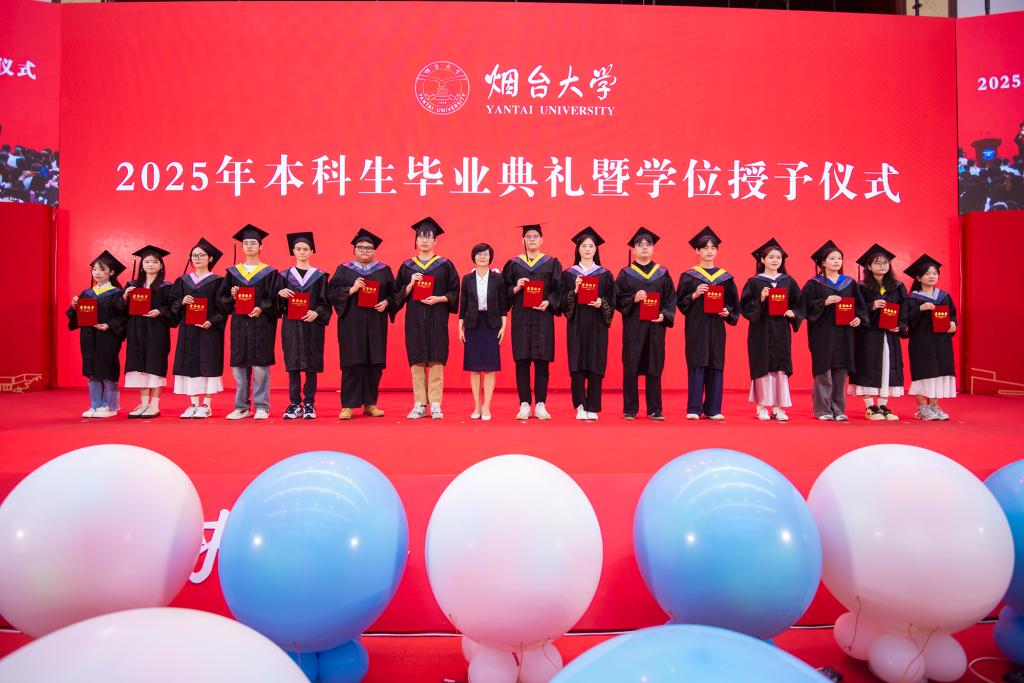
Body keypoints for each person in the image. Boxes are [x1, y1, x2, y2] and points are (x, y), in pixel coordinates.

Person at [327, 228, 397, 420]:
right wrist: (351, 289)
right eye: (361, 247)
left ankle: (370, 404)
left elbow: (395, 293)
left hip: (376, 322)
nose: (365, 251)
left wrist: (387, 302)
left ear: (374, 250)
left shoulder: (383, 270)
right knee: (352, 362)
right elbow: (331, 292)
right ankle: (347, 406)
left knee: (374, 363)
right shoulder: (344, 269)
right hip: (351, 323)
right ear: (354, 250)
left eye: (369, 248)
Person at [395, 216, 460, 419]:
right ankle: (420, 404)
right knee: (416, 360)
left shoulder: (445, 265)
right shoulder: (407, 266)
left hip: (437, 317)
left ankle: (436, 403)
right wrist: (410, 285)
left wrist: (440, 298)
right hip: (414, 319)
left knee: (436, 359)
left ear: (435, 241)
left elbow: (455, 291)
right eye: (421, 236)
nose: (424, 240)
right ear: (416, 240)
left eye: (428, 236)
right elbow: (396, 295)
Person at [676, 226, 739, 420]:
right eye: (705, 248)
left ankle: (713, 409)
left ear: (717, 251)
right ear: (697, 251)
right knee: (697, 363)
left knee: (716, 363)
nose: (709, 251)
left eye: (713, 248)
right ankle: (694, 408)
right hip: (696, 327)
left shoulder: (725, 278)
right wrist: (694, 295)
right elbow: (680, 302)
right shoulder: (689, 276)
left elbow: (733, 304)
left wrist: (727, 312)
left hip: (716, 327)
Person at [502, 223, 563, 420]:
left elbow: (558, 290)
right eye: (528, 236)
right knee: (522, 362)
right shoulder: (514, 264)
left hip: (543, 317)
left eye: (535, 236)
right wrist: (515, 288)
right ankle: (525, 404)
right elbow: (502, 292)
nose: (532, 239)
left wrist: (549, 302)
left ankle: (541, 404)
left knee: (542, 362)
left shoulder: (551, 263)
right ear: (523, 240)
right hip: (521, 317)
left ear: (542, 240)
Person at [801, 240, 867, 421]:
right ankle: (823, 410)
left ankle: (838, 409)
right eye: (832, 258)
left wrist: (858, 318)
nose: (837, 261)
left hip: (845, 333)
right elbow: (804, 306)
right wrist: (824, 302)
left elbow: (860, 307)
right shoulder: (813, 284)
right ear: (823, 262)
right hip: (823, 333)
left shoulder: (849, 283)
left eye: (839, 258)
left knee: (840, 370)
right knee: (823, 371)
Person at [739, 238, 803, 421]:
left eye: (778, 257)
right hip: (761, 331)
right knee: (762, 366)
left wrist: (793, 313)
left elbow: (799, 304)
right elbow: (745, 306)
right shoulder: (754, 282)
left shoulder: (788, 281)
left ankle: (778, 407)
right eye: (771, 257)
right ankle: (761, 407)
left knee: (780, 368)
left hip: (781, 331)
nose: (775, 260)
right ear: (762, 260)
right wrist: (760, 299)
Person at [615, 227, 676, 420]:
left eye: (648, 244)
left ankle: (654, 409)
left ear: (653, 248)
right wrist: (633, 298)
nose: (644, 248)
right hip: (634, 328)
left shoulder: (662, 273)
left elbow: (670, 299)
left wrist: (664, 315)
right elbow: (616, 298)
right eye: (639, 245)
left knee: (654, 365)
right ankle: (630, 409)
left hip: (655, 326)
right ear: (633, 250)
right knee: (631, 366)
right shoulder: (626, 273)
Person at [223, 224, 278, 420]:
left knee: (260, 368)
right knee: (239, 368)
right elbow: (222, 301)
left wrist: (261, 308)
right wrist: (231, 295)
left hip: (261, 325)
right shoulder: (233, 273)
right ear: (242, 247)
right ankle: (242, 407)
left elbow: (275, 298)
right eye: (245, 243)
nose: (249, 246)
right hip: (240, 325)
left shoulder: (270, 273)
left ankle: (262, 406)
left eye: (253, 243)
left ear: (260, 247)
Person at [169, 238, 228, 418]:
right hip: (189, 331)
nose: (197, 258)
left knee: (209, 364)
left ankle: (206, 405)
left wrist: (212, 321)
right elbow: (172, 305)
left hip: (209, 330)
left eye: (201, 255)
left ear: (210, 258)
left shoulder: (218, 281)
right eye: (194, 255)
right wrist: (181, 301)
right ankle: (193, 404)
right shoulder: (183, 281)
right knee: (189, 364)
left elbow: (224, 307)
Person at [848, 244, 908, 421]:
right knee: (867, 366)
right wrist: (871, 306)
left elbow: (904, 310)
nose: (882, 266)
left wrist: (899, 326)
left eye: (885, 263)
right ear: (868, 266)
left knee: (888, 367)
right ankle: (870, 407)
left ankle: (883, 406)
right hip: (868, 335)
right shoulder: (861, 286)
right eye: (878, 263)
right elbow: (855, 309)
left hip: (889, 335)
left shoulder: (897, 287)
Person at [561, 226, 615, 421]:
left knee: (595, 362)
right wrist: (574, 291)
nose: (587, 249)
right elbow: (561, 302)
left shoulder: (605, 274)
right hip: (576, 324)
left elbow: (612, 300)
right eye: (583, 246)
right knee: (577, 363)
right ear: (578, 249)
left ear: (596, 249)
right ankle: (581, 406)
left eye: (591, 246)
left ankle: (593, 406)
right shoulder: (569, 274)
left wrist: (602, 303)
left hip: (597, 325)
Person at [276, 232, 332, 420]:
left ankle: (309, 403)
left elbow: (325, 304)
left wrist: (317, 312)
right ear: (293, 251)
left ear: (312, 251)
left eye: (305, 249)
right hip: (291, 326)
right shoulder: (284, 276)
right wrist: (279, 295)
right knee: (292, 364)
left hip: (312, 326)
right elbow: (277, 306)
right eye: (298, 249)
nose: (302, 252)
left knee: (311, 365)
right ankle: (294, 403)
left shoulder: (319, 276)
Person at [67, 251, 128, 418]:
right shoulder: (87, 293)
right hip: (88, 336)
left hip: (108, 337)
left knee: (106, 370)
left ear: (111, 272)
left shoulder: (117, 293)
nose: (97, 273)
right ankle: (94, 406)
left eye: (102, 269)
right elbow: (76, 318)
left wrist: (109, 325)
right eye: (94, 269)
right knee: (92, 371)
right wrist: (74, 306)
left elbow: (123, 317)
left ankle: (109, 406)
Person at [121, 245, 176, 418]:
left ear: (161, 265)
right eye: (147, 261)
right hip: (136, 331)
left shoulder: (167, 287)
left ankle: (154, 405)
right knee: (140, 369)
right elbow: (120, 309)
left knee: (155, 367)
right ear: (141, 265)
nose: (150, 264)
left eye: (154, 261)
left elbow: (174, 308)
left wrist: (160, 311)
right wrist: (125, 296)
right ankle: (144, 404)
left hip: (156, 331)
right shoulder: (132, 286)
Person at [904, 254, 957, 421]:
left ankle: (934, 406)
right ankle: (922, 408)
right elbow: (905, 319)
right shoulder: (912, 298)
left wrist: (953, 323)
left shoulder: (944, 296)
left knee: (938, 372)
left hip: (941, 341)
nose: (932, 276)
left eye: (935, 273)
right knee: (924, 373)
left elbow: (952, 314)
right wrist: (920, 309)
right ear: (918, 277)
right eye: (927, 274)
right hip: (922, 342)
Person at [458, 243, 507, 421]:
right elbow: (463, 305)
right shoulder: (467, 279)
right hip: (473, 324)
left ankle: (486, 406)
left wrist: (503, 327)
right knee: (475, 369)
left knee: (490, 368)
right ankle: (477, 405)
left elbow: (503, 304)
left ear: (490, 257)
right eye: (479, 254)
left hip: (492, 323)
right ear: (474, 257)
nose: (482, 257)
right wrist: (460, 328)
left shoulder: (498, 278)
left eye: (485, 254)